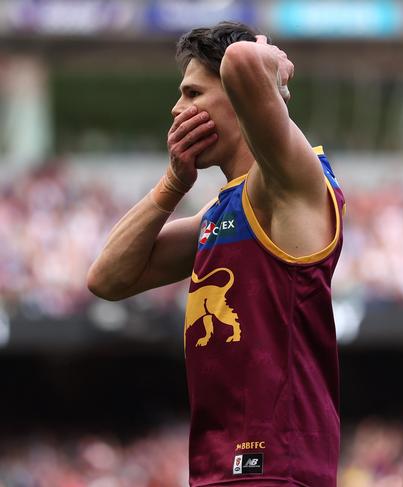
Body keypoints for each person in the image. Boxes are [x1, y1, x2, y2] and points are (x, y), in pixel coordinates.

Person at [87, 22, 344, 487]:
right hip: (220, 468)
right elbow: (108, 279)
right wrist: (173, 184)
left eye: (192, 93)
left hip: (275, 468)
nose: (176, 107)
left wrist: (273, 75)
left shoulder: (289, 182)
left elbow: (244, 61)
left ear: (239, 97)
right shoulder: (223, 207)